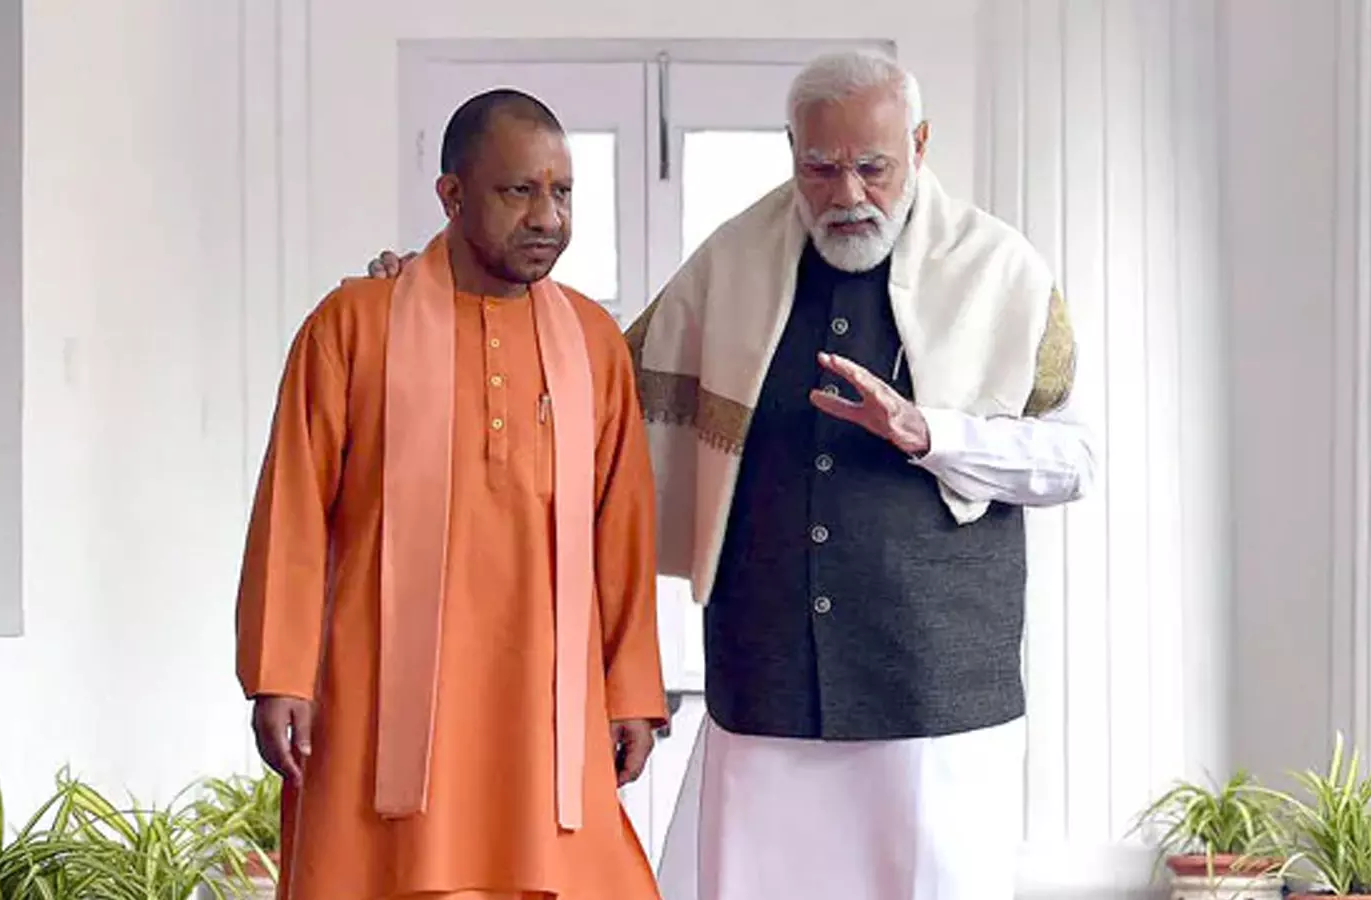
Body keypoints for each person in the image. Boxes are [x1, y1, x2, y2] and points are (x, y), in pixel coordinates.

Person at [367, 51, 1097, 900]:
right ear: (791, 150)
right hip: (766, 682)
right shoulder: (734, 261)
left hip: (934, 693)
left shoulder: (1001, 272)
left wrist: (929, 431)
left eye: (872, 167)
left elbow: (1074, 461)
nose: (847, 194)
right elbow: (591, 376)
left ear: (920, 145)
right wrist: (441, 286)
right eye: (819, 168)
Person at [236, 88, 668, 900]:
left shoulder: (593, 341)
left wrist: (633, 688)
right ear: (452, 194)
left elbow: (623, 527)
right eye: (519, 191)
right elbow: (292, 507)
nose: (548, 217)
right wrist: (279, 675)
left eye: (563, 192)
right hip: (379, 701)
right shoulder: (353, 324)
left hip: (545, 703)